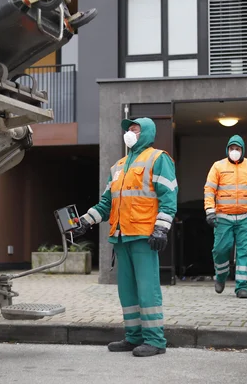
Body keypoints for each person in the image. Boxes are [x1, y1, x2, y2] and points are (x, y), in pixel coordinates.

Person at [72, 117, 178, 357]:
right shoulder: (118, 166)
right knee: (127, 292)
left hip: (143, 235)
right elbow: (106, 204)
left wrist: (161, 228)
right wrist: (84, 222)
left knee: (147, 289)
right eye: (129, 130)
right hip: (120, 237)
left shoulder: (158, 158)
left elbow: (168, 196)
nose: (130, 133)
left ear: (148, 133)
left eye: (135, 130)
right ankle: (133, 337)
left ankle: (155, 340)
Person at [204, 135, 247, 299]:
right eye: (232, 148)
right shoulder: (218, 166)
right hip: (223, 216)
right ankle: (221, 275)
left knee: (245, 251)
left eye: (237, 149)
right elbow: (209, 190)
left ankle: (242, 287)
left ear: (243, 150)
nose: (234, 151)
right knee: (220, 250)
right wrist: (210, 211)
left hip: (246, 216)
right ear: (227, 150)